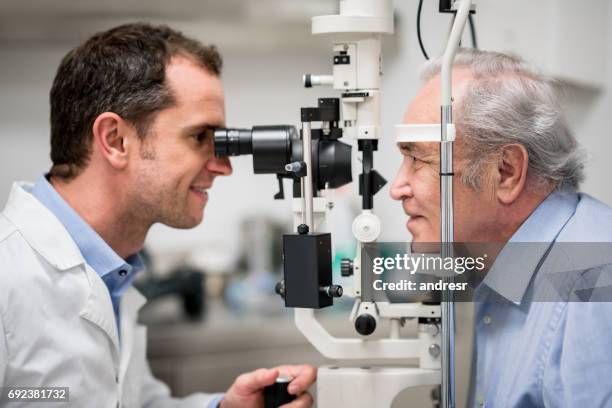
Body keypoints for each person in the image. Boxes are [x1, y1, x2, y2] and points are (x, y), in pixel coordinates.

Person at [0, 23, 315, 408]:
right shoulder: (8, 275)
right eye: (200, 137)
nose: (224, 167)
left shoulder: (113, 271)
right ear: (116, 141)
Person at [390, 48, 612, 407]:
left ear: (506, 171)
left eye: (419, 159)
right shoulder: (492, 267)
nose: (396, 188)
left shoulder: (596, 289)